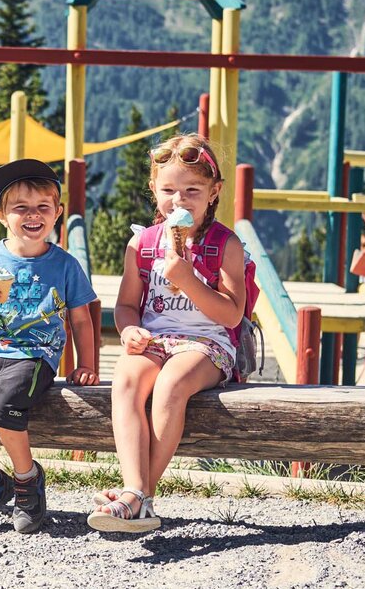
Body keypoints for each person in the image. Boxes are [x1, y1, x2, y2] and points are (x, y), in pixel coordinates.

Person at [87, 133, 247, 533]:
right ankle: (136, 492)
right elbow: (125, 306)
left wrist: (186, 278)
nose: (180, 201)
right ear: (154, 191)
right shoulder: (142, 243)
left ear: (214, 193)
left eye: (192, 190)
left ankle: (137, 496)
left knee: (171, 385)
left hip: (209, 345)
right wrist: (129, 331)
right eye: (169, 190)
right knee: (125, 380)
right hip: (157, 339)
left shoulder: (224, 244)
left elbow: (231, 314)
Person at [0, 158, 99, 534]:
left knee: (2, 411)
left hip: (35, 355)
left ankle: (27, 480)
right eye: (20, 208)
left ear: (57, 213)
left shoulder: (65, 264)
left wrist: (88, 364)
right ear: (1, 215)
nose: (33, 215)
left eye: (43, 207)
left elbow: (81, 318)